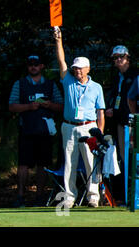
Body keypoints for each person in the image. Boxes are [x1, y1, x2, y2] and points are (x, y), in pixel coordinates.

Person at [53, 26, 106, 208]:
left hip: (89, 126)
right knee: (70, 161)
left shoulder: (96, 87)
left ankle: (93, 196)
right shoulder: (68, 80)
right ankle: (69, 197)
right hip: (68, 126)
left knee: (92, 161)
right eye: (75, 68)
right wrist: (58, 40)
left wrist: (100, 132)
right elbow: (61, 62)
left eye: (80, 69)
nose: (77, 71)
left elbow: (101, 111)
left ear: (88, 69)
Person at [9, 55, 64, 207]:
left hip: (45, 131)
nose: (33, 67)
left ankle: (40, 197)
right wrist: (28, 107)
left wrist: (49, 105)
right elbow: (12, 106)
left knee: (43, 165)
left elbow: (61, 107)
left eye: (36, 64)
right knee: (23, 165)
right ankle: (20, 197)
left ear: (42, 66)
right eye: (30, 64)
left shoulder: (50, 85)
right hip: (26, 130)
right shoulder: (19, 84)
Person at [105, 46, 137, 163]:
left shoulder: (135, 76)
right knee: (123, 155)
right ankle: (126, 180)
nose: (118, 59)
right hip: (119, 120)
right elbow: (114, 97)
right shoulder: (116, 77)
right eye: (115, 57)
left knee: (134, 152)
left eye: (121, 56)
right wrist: (111, 108)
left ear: (127, 58)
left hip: (132, 121)